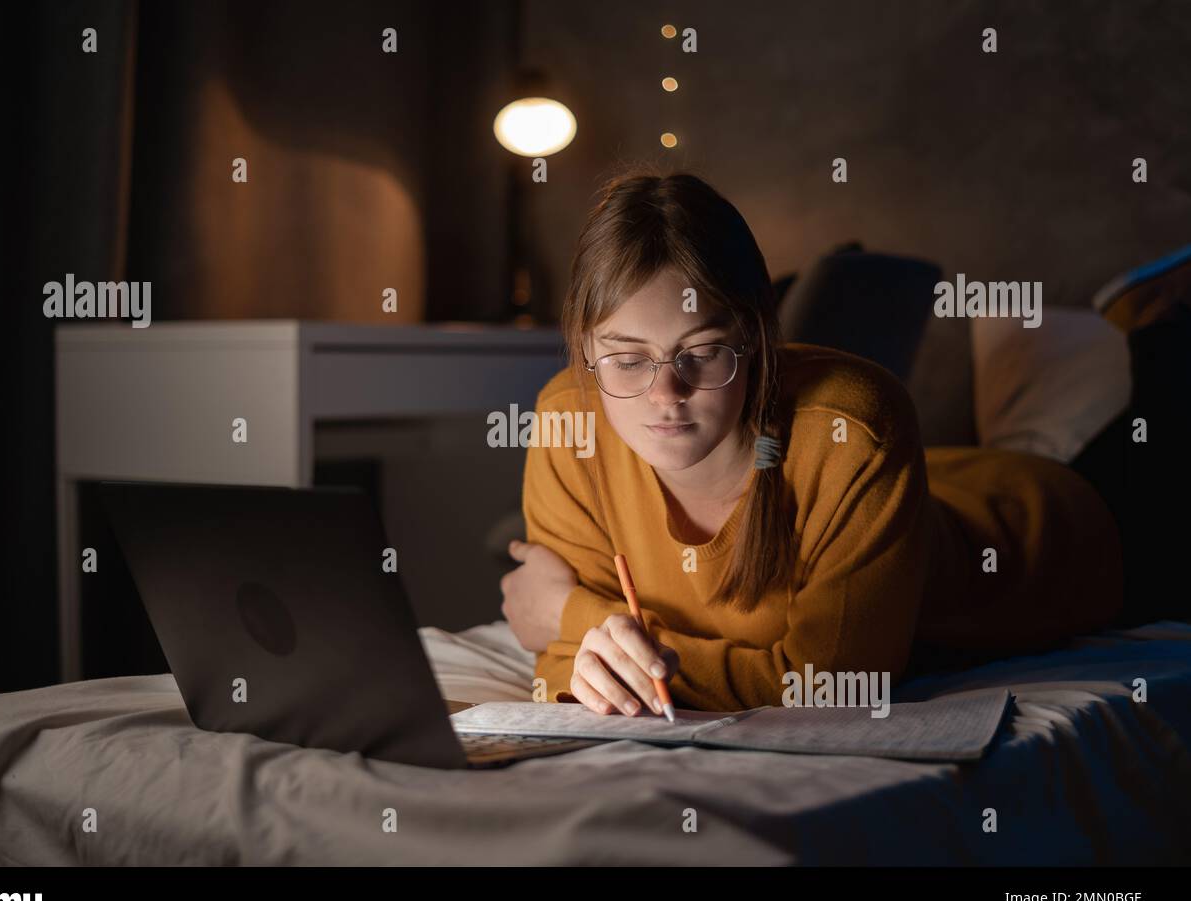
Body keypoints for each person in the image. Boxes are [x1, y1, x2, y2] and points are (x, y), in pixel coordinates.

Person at [498, 169, 1190, 716]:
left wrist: (567, 611)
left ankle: (1164, 326)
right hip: (923, 493)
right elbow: (568, 665)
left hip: (1053, 532)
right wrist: (582, 641)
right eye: (625, 358)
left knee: (1160, 451)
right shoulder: (571, 422)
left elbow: (830, 686)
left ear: (758, 339)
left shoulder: (857, 421)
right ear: (584, 350)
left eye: (702, 353)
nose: (664, 394)